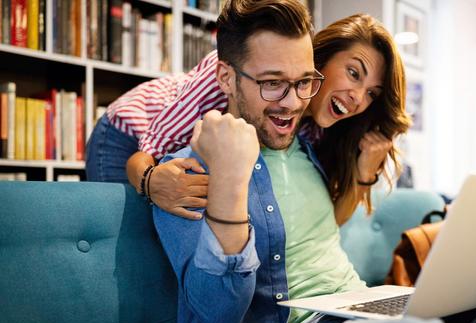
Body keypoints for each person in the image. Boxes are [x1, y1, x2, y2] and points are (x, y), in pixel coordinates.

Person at [154, 1, 476, 323]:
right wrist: (227, 181)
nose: (291, 102)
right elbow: (217, 314)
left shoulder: (311, 146)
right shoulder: (185, 172)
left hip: (366, 308)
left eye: (304, 81)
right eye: (272, 84)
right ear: (227, 77)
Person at [85, 11, 410, 225]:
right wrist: (150, 181)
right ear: (320, 57)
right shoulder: (230, 79)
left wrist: (364, 173)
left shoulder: (319, 130)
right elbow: (146, 152)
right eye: (354, 73)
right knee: (133, 245)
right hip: (128, 132)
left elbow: (324, 221)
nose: (358, 98)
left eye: (372, 93)